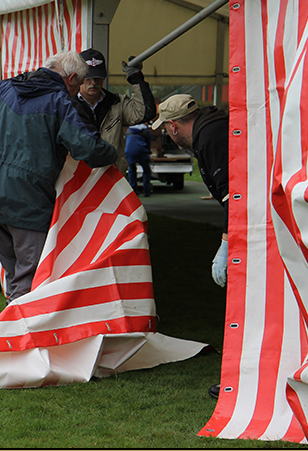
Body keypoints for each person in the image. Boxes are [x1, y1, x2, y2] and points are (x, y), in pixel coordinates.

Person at [0, 51, 118, 304]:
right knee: (29, 282)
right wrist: (113, 152)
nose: (76, 94)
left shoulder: (7, 88)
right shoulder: (60, 102)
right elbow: (89, 148)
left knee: (14, 277)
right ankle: (20, 339)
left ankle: (10, 333)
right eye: (77, 88)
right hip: (28, 203)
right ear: (72, 78)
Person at [152, 93, 229, 399]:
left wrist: (225, 245)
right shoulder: (212, 129)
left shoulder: (211, 137)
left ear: (172, 126)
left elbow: (234, 198)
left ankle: (240, 379)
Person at [77, 49, 157, 174]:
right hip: (78, 179)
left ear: (104, 77)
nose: (94, 82)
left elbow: (145, 112)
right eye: (89, 77)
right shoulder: (66, 104)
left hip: (112, 177)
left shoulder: (117, 102)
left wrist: (136, 78)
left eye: (98, 77)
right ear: (79, 76)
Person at [125, 123, 152, 196]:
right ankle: (146, 190)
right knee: (146, 170)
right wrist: (148, 152)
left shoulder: (129, 131)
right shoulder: (146, 131)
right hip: (142, 151)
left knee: (132, 170)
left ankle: (133, 190)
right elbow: (148, 143)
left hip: (129, 152)